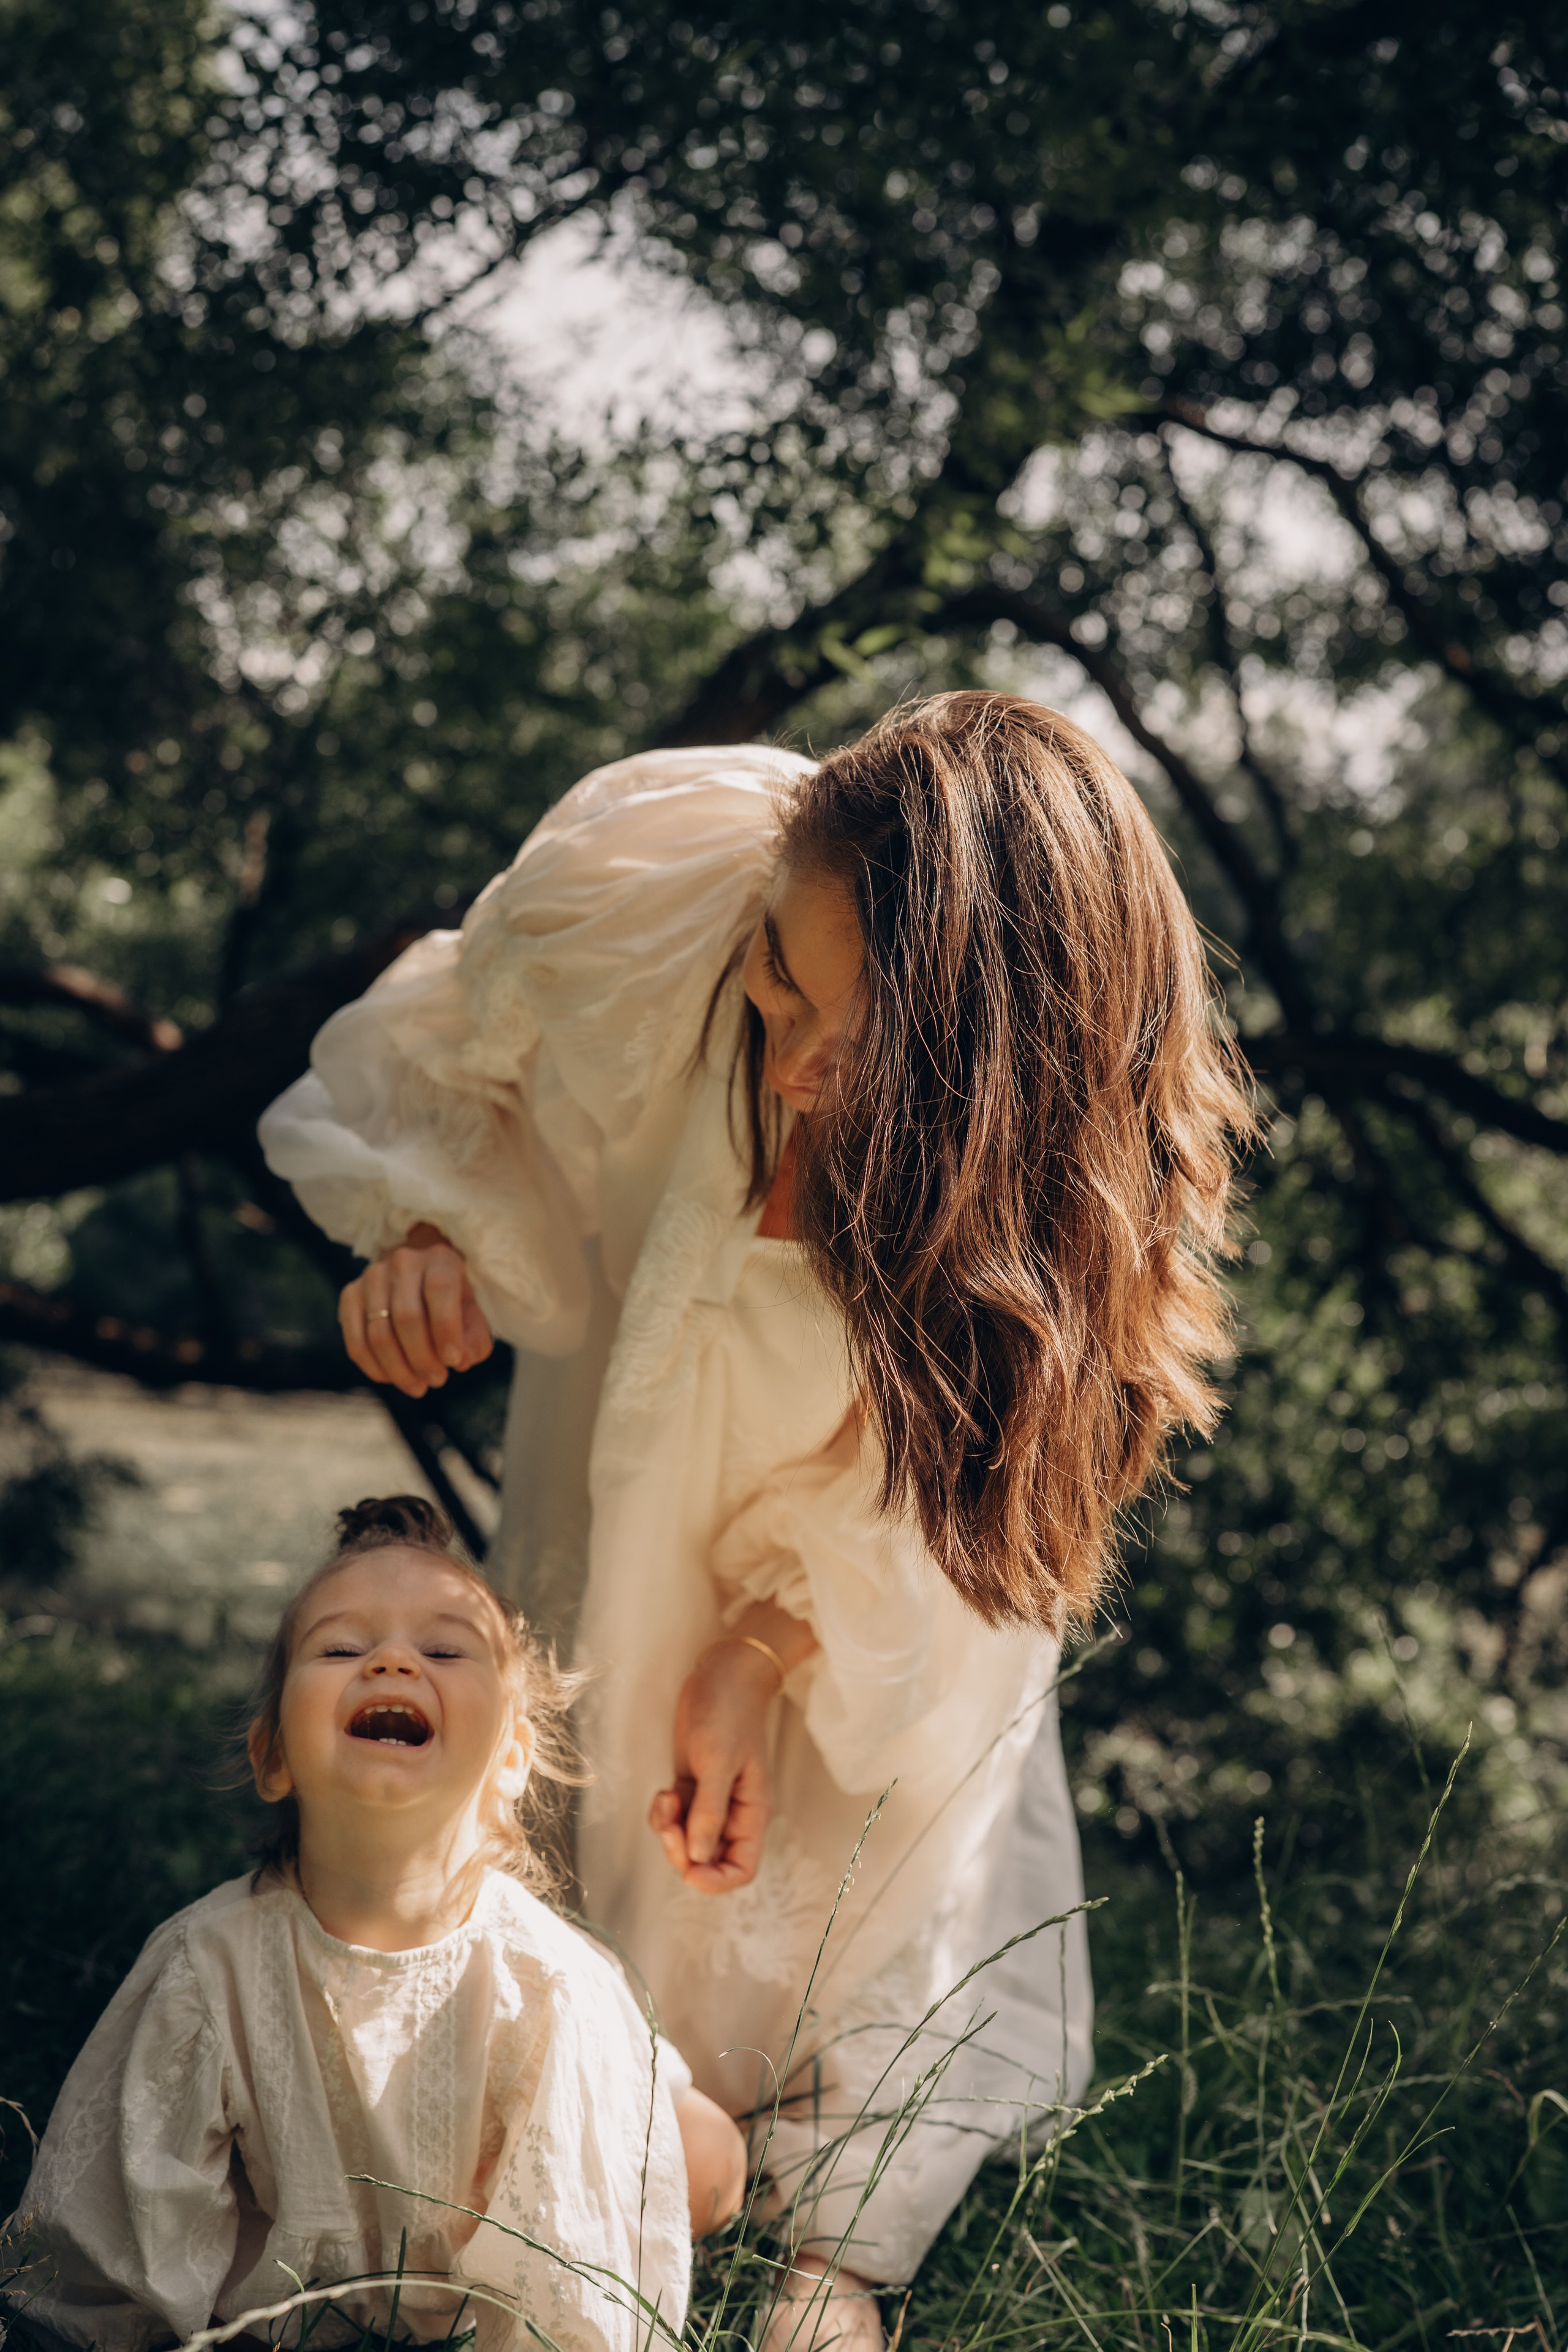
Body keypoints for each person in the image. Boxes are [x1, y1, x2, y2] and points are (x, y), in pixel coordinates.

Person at [257, 692, 1251, 2349]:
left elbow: (969, 1553)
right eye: (781, 980)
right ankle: (599, 2109)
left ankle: (843, 2240)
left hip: (898, 1576)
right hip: (627, 1492)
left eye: (859, 1047)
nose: (790, 1058)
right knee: (613, 1811)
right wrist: (426, 1228)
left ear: (992, 1070)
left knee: (867, 1839)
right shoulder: (673, 877)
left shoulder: (1049, 1206)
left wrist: (770, 1640)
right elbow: (460, 1058)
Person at [4, 1496, 742, 2352]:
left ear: (510, 1758)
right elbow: (109, 2249)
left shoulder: (548, 1988)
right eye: (343, 1648)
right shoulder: (210, 1966)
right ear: (272, 1753)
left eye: (443, 1649)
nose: (392, 1660)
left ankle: (715, 2130)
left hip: (618, 2131)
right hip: (321, 2292)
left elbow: (570, 2303)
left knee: (709, 2170)